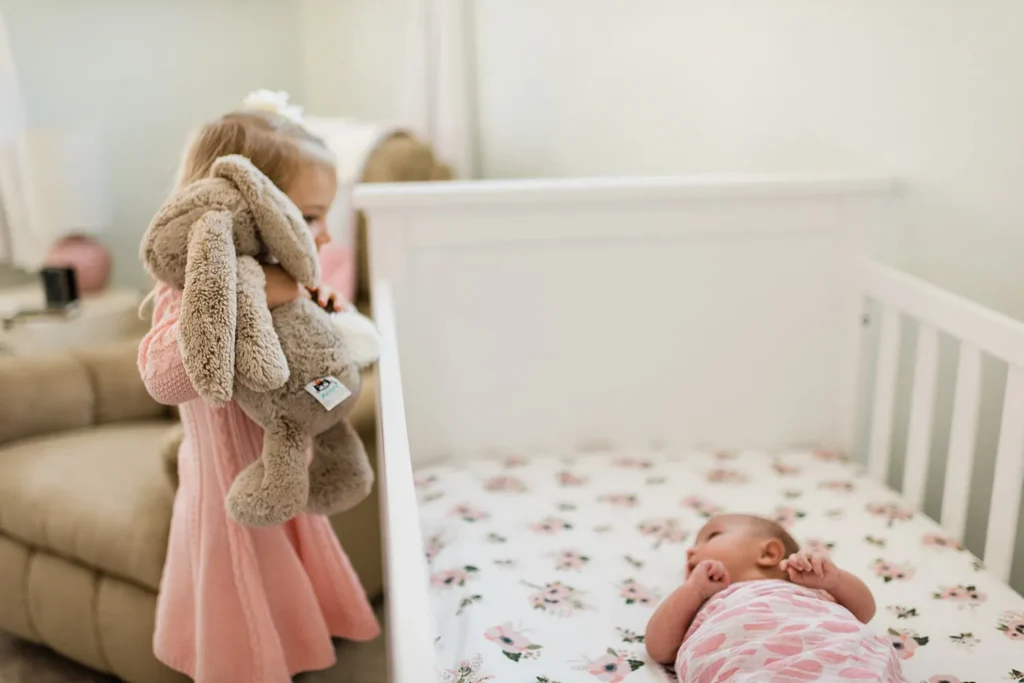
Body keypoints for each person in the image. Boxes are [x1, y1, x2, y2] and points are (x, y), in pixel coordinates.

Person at [137, 95, 379, 683]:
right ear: (255, 209)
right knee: (238, 616)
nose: (322, 236)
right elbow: (162, 377)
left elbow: (341, 347)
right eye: (311, 216)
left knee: (286, 601)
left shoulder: (300, 280)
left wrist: (320, 312)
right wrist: (251, 298)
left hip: (286, 469)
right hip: (225, 492)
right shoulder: (196, 288)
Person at [645, 513, 906, 682]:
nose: (690, 551)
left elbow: (863, 611)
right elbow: (659, 648)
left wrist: (834, 580)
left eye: (710, 537)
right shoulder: (701, 603)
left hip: (840, 660)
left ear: (769, 553)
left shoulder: (805, 588)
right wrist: (693, 590)